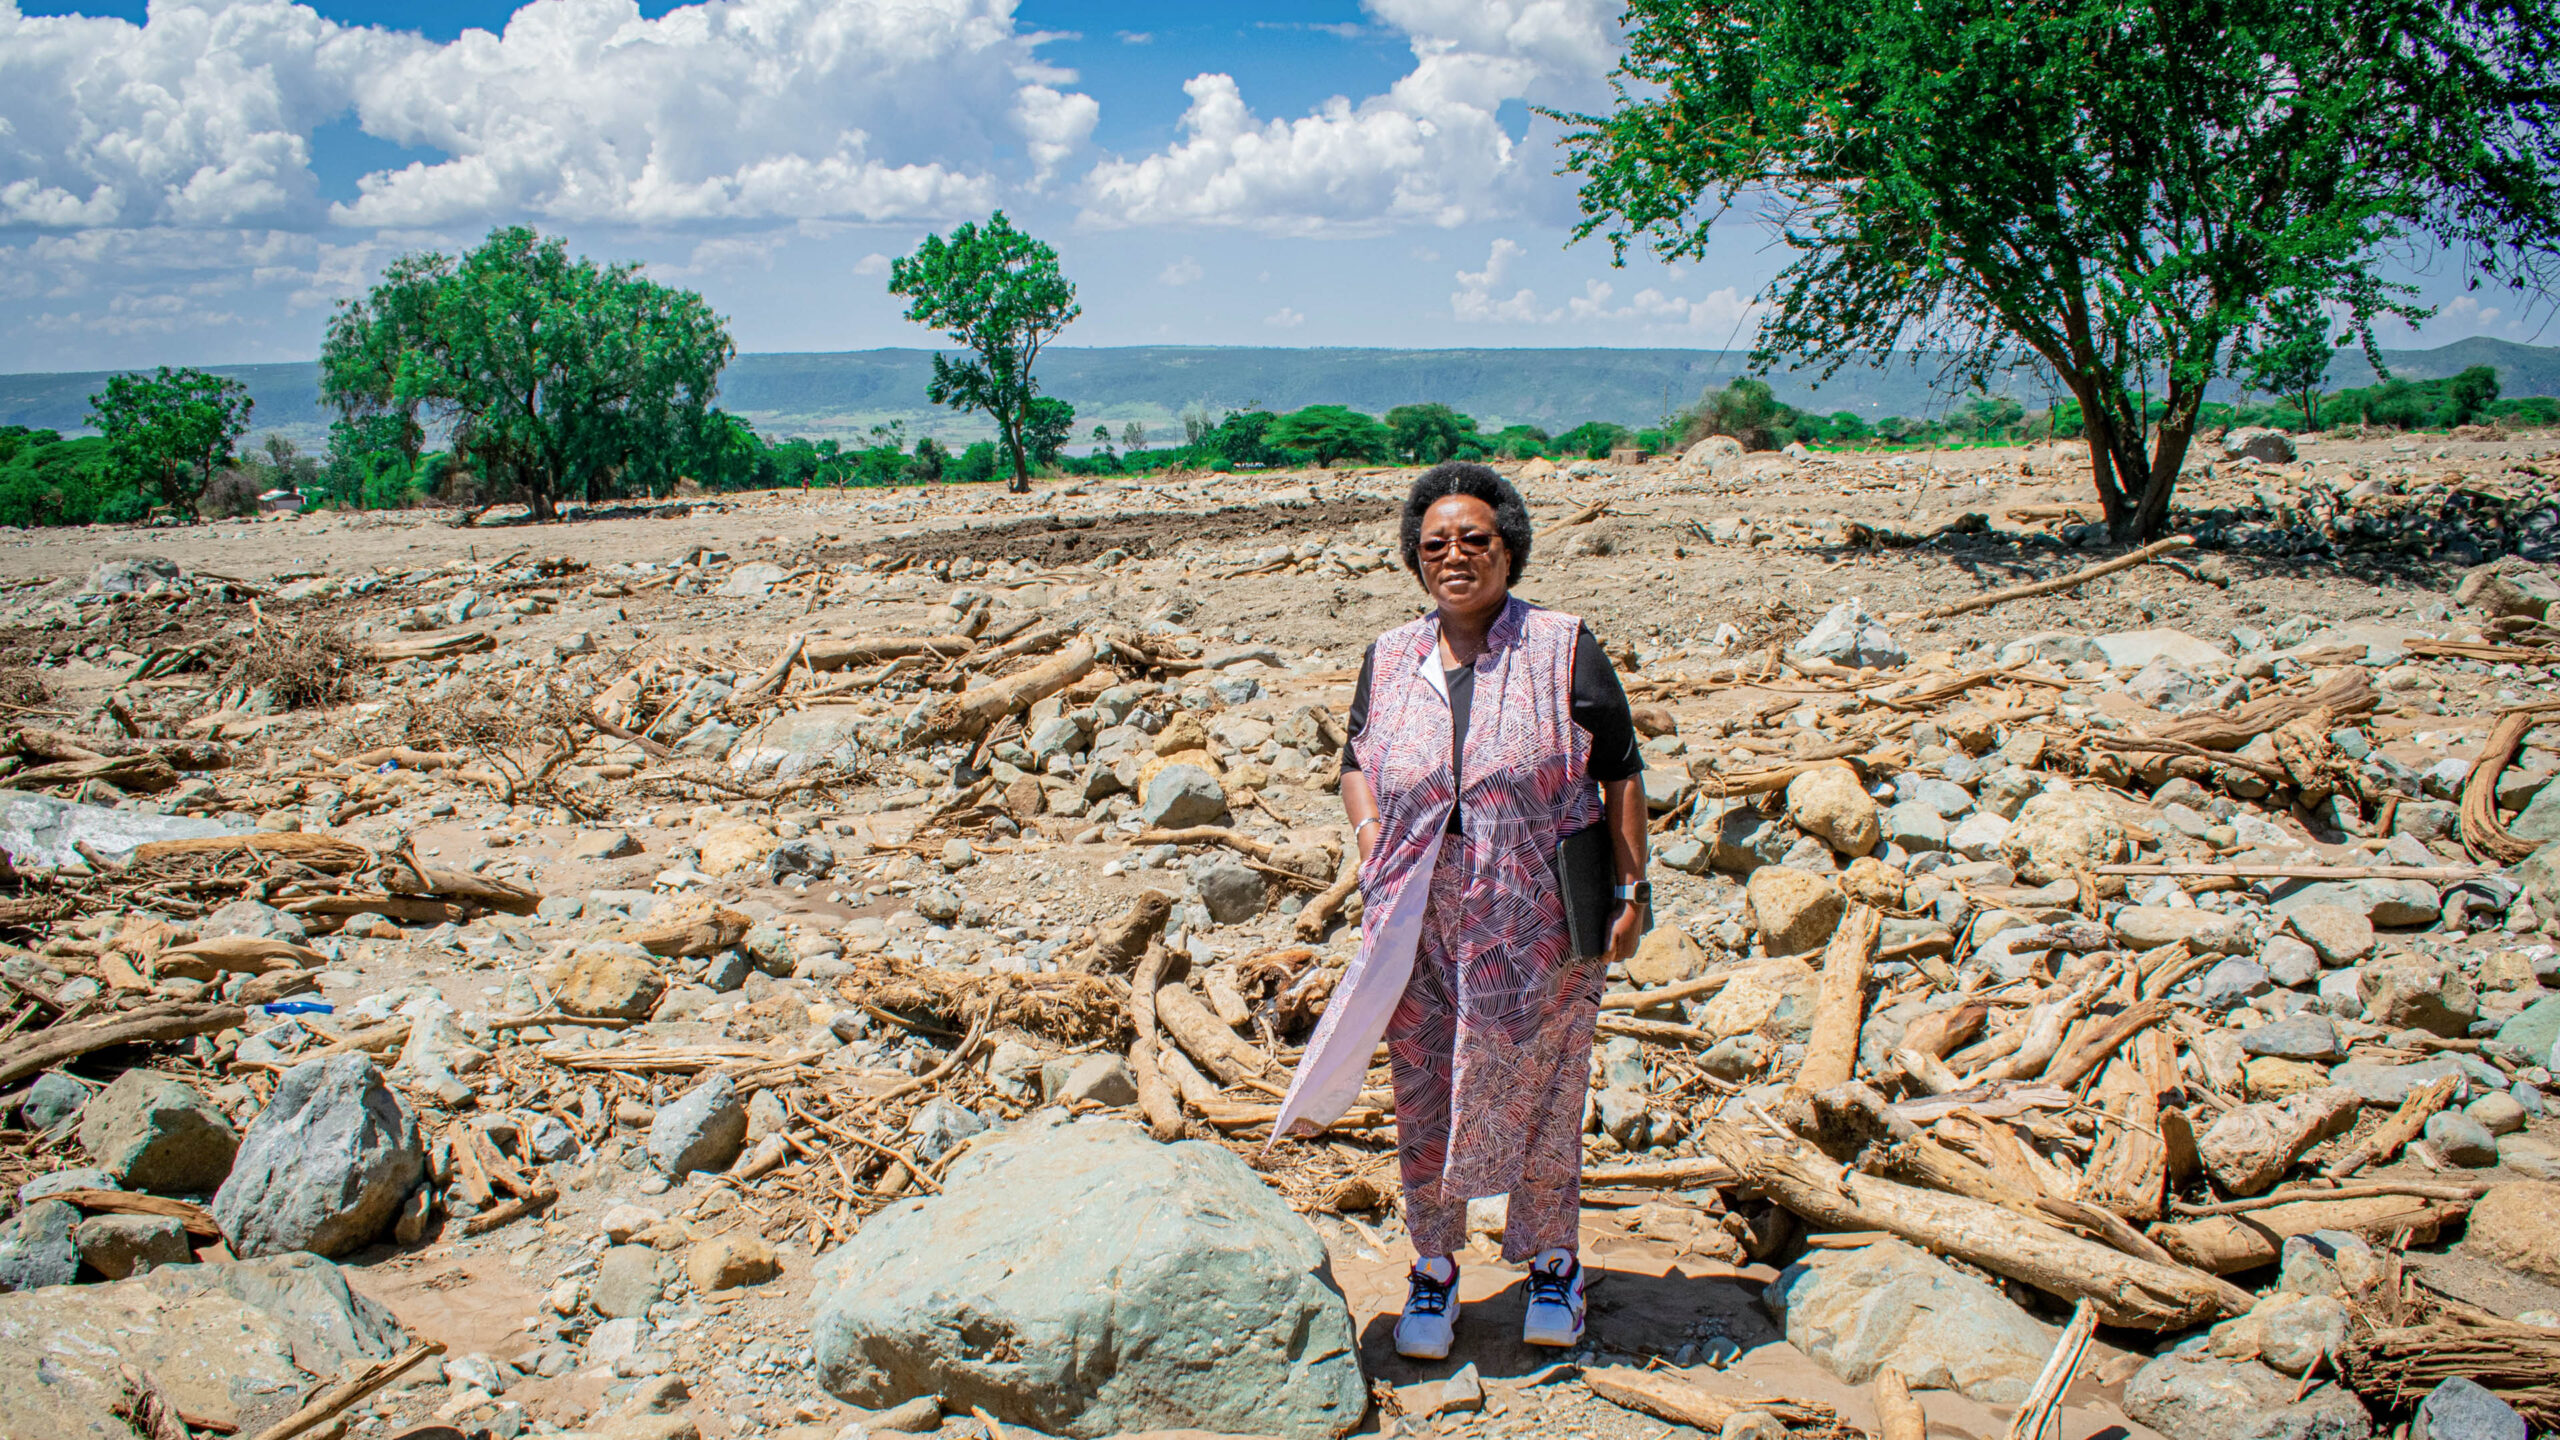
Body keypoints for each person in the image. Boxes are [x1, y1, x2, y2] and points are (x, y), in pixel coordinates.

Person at [1271, 461, 1649, 1360]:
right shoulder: (1391, 656)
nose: (1455, 555)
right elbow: (1356, 758)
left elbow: (1621, 767)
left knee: (1550, 1093)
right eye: (1435, 543)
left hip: (1541, 927)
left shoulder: (1562, 646)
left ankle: (1553, 1263)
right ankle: (1434, 1270)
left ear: (1508, 550)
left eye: (1475, 539)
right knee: (1423, 1091)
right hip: (1420, 929)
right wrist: (1368, 836)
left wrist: (1633, 890)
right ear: (1415, 560)